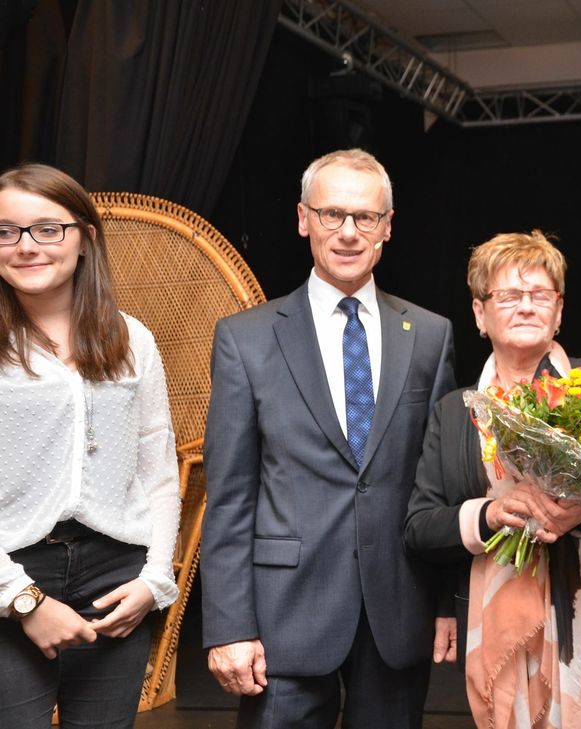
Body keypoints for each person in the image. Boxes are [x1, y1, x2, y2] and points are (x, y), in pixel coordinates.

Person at [200, 149, 457, 729]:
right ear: (302, 219)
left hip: (398, 608)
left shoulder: (431, 336)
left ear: (388, 227)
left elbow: (437, 487)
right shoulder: (247, 340)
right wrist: (229, 626)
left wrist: (448, 602)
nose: (347, 232)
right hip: (282, 618)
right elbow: (231, 496)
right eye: (331, 214)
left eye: (365, 217)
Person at [405, 230, 581, 729]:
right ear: (479, 315)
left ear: (559, 310)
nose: (526, 306)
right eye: (508, 295)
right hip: (497, 636)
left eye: (540, 295)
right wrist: (489, 515)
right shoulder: (452, 412)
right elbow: (421, 526)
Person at [0, 163, 180, 728]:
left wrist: (154, 580)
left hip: (116, 579)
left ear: (85, 239)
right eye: (6, 230)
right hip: (12, 571)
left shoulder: (133, 339)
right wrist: (22, 600)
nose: (26, 246)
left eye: (47, 228)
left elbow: (158, 471)